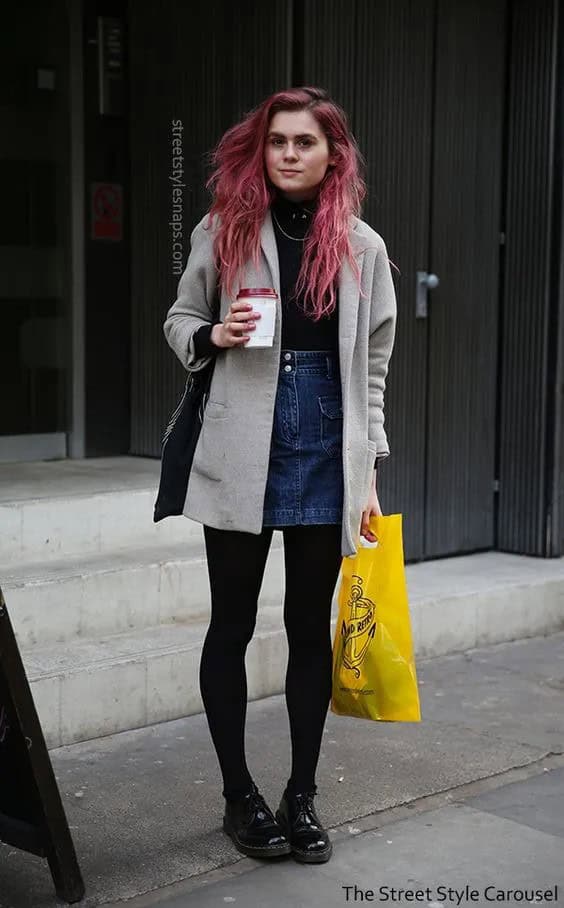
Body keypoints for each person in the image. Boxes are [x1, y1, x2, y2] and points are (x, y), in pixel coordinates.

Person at [163, 86, 397, 865]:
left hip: (329, 445)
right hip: (241, 442)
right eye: (276, 142)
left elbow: (373, 369)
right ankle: (239, 795)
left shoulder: (361, 245)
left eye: (304, 142)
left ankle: (302, 793)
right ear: (259, 151)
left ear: (334, 154)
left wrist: (367, 474)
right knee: (230, 625)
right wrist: (214, 333)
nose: (289, 154)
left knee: (307, 628)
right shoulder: (223, 229)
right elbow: (179, 319)